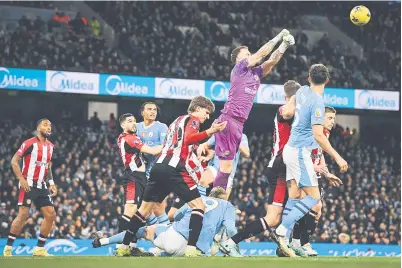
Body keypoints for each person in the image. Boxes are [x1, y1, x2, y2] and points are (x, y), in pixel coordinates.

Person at [116, 96, 227, 257]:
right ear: (197, 108)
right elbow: (188, 139)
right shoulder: (193, 119)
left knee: (143, 211)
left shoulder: (177, 121)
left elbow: (182, 141)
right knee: (199, 206)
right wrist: (211, 131)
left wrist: (201, 150)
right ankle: (191, 249)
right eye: (206, 112)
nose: (207, 117)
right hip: (174, 169)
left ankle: (124, 246)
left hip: (158, 167)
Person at [271, 64, 348, 257]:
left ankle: (294, 240)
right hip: (299, 152)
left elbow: (289, 111)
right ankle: (282, 231)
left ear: (308, 78)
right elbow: (319, 136)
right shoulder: (317, 103)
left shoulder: (303, 91)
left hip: (291, 148)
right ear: (327, 81)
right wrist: (338, 158)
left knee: (299, 195)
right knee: (313, 198)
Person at [219, 80, 300, 256]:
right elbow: (287, 111)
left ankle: (232, 242)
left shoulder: (298, 114)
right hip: (281, 166)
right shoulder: (283, 110)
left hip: (285, 166)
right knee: (306, 200)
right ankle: (292, 242)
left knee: (274, 218)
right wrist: (296, 97)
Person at [213, 29, 294, 192]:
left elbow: (271, 62)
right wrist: (278, 36)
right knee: (225, 169)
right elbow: (260, 55)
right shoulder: (239, 69)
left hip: (239, 123)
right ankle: (213, 202)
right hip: (229, 120)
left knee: (227, 170)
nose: (251, 55)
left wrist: (284, 45)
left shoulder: (255, 73)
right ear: (238, 59)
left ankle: (216, 201)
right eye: (247, 53)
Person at [93, 187, 238, 257]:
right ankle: (152, 254)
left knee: (142, 230)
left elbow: (175, 215)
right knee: (173, 253)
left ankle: (103, 241)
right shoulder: (227, 206)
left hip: (175, 236)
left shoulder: (198, 199)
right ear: (223, 198)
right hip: (198, 251)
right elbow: (231, 229)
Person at [290, 106, 342, 256]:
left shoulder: (325, 133)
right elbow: (299, 155)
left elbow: (320, 154)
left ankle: (298, 242)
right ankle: (300, 243)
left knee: (316, 212)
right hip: (301, 171)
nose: (333, 121)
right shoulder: (311, 133)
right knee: (314, 205)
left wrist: (326, 173)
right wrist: (315, 167)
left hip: (313, 173)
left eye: (334, 118)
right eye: (330, 118)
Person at [3, 119, 57, 257]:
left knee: (51, 214)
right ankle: (8, 248)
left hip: (41, 185)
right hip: (28, 183)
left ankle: (39, 249)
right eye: (45, 125)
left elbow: (48, 166)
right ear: (38, 128)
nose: (48, 127)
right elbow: (14, 161)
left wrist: (51, 182)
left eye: (50, 125)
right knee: (23, 215)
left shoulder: (51, 146)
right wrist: (21, 179)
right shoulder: (29, 143)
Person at [114, 113, 163, 256]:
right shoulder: (129, 138)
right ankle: (121, 247)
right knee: (130, 210)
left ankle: (132, 246)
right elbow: (153, 151)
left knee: (140, 212)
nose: (134, 123)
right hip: (133, 177)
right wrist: (169, 143)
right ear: (123, 125)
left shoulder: (129, 138)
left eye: (135, 120)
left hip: (140, 178)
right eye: (130, 121)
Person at [136, 102, 169, 224]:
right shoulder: (136, 127)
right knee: (141, 207)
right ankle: (157, 233)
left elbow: (165, 148)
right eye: (149, 109)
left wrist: (149, 149)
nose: (153, 111)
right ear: (142, 112)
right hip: (140, 172)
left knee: (158, 207)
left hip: (158, 170)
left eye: (155, 109)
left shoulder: (162, 127)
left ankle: (164, 235)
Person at [197, 133, 250, 199]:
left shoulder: (242, 136)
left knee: (222, 202)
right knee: (203, 181)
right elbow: (207, 145)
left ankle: (207, 207)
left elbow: (247, 153)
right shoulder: (220, 131)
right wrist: (209, 154)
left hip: (228, 174)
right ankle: (199, 207)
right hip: (215, 167)